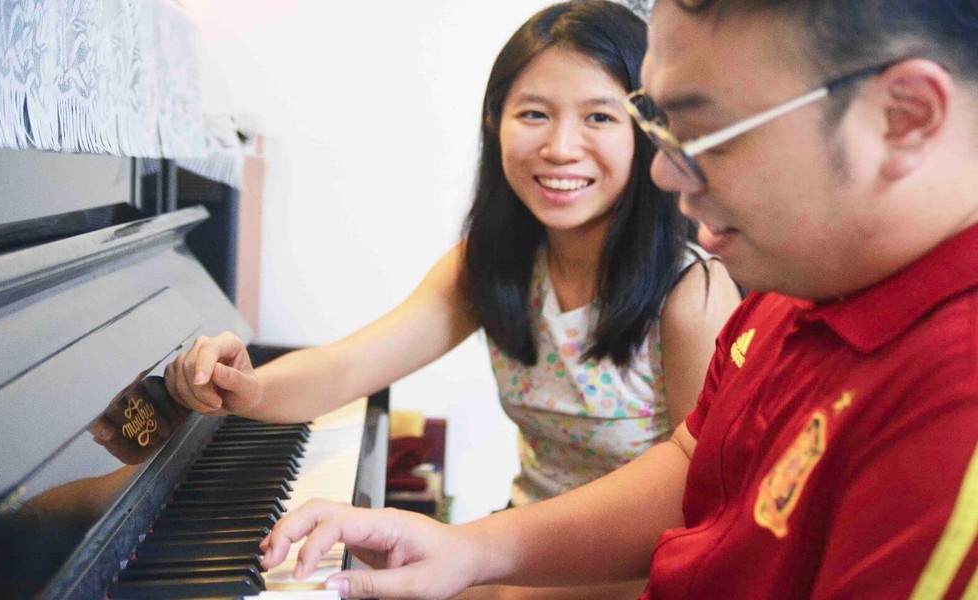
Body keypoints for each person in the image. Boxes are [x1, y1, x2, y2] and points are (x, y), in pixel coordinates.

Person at [256, 0, 978, 598]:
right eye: (661, 128)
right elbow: (694, 466)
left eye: (706, 133)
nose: (664, 173)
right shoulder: (791, 291)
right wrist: (470, 551)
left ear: (904, 116)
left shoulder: (951, 405)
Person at [165, 2, 737, 597]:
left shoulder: (691, 292)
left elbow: (705, 504)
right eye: (534, 113)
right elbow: (348, 366)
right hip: (514, 557)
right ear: (496, 123)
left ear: (649, 130)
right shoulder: (491, 265)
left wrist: (489, 576)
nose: (561, 147)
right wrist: (245, 388)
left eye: (599, 117)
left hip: (631, 577)